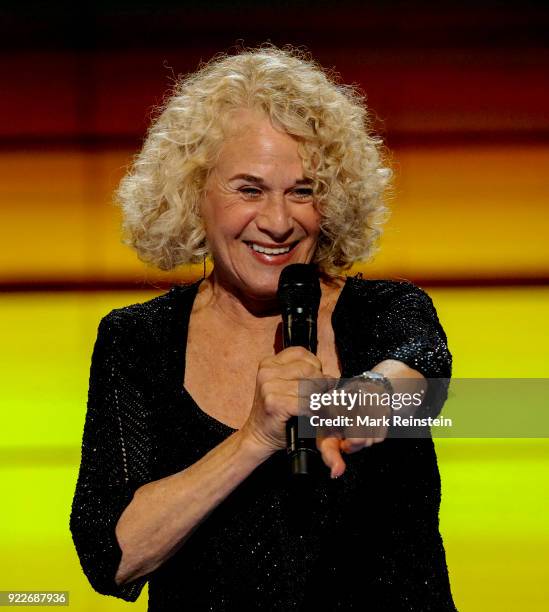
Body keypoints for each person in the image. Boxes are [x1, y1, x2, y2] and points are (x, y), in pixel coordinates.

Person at [70, 46, 457, 611]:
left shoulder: (388, 310)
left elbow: (416, 377)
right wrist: (254, 439)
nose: (278, 222)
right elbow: (113, 558)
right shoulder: (138, 341)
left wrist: (355, 404)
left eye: (302, 191)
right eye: (249, 190)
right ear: (190, 194)